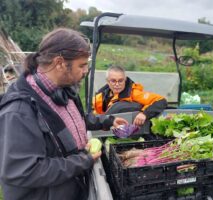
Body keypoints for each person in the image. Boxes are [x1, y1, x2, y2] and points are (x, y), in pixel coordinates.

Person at [0, 28, 128, 200]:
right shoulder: (19, 111)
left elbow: (75, 120)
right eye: (82, 65)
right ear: (60, 63)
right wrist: (83, 160)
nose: (85, 71)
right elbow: (24, 171)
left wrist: (107, 120)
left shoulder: (63, 90)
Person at [93, 65, 167, 126]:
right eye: (113, 81)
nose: (117, 84)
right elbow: (95, 116)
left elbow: (161, 100)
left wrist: (144, 114)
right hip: (106, 129)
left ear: (125, 80)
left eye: (120, 80)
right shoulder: (99, 97)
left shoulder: (134, 93)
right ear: (107, 81)